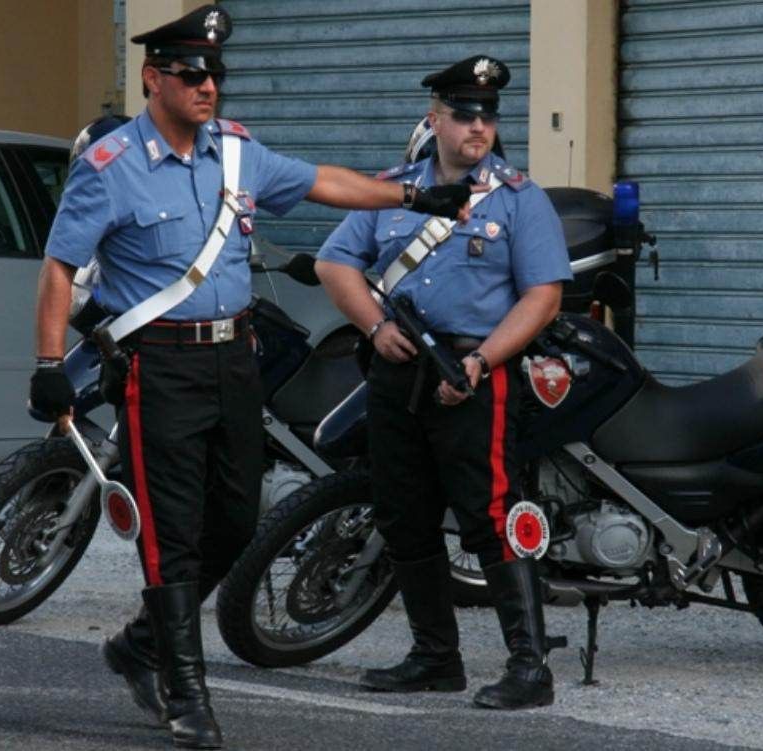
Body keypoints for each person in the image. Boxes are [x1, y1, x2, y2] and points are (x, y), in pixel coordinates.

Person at [27, 6, 472, 749]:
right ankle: (185, 690)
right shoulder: (110, 168)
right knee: (170, 531)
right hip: (158, 364)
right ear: (153, 78)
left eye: (216, 75)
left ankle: (141, 641)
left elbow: (323, 181)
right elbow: (60, 267)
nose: (209, 86)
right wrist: (48, 364)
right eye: (193, 74)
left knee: (234, 522)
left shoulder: (236, 153)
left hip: (235, 358)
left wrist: (411, 196)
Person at [314, 55, 572, 710]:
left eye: (487, 115)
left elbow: (543, 296)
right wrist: (374, 326)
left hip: (474, 373)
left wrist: (484, 360)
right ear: (435, 118)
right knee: (405, 513)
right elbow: (334, 261)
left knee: (490, 513)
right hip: (398, 372)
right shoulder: (394, 189)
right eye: (463, 114)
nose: (478, 126)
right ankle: (435, 655)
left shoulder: (519, 198)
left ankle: (529, 665)